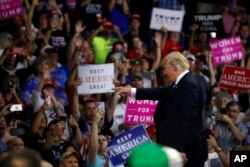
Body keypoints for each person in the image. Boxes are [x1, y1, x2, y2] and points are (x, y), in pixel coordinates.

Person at [114, 51, 207, 167]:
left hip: (186, 152)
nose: (163, 73)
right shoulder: (181, 83)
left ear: (174, 67)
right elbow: (160, 92)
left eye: (164, 69)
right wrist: (132, 91)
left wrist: (180, 149)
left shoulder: (188, 84)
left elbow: (187, 120)